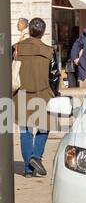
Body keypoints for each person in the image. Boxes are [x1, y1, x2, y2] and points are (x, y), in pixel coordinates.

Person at [12, 17, 55, 177]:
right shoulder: (49, 50)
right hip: (43, 93)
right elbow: (54, 76)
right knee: (44, 127)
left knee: (25, 130)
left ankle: (28, 169)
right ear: (43, 33)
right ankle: (36, 156)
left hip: (21, 93)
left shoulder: (16, 47)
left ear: (29, 30)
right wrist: (56, 93)